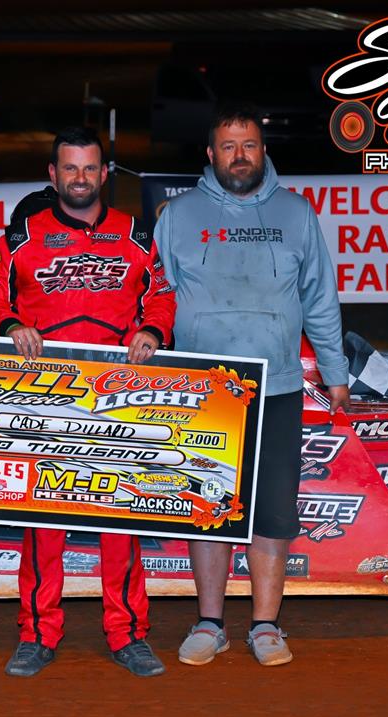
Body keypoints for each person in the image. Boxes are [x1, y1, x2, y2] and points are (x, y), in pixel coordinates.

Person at [153, 102, 350, 667]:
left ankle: (266, 625)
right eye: (228, 147)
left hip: (277, 385)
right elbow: (155, 298)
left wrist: (335, 373)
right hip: (202, 390)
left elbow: (319, 298)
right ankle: (209, 623)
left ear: (263, 151)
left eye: (249, 146)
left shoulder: (297, 213)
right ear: (210, 154)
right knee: (205, 505)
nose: (239, 157)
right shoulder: (179, 215)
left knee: (272, 510)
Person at [0, 127, 176, 677]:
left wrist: (153, 331)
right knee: (43, 522)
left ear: (104, 174)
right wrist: (8, 324)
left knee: (121, 520)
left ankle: (128, 634)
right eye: (70, 168)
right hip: (44, 398)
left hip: (121, 398)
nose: (80, 178)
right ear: (53, 174)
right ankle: (37, 633)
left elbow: (161, 295)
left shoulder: (135, 233)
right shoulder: (23, 234)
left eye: (90, 168)